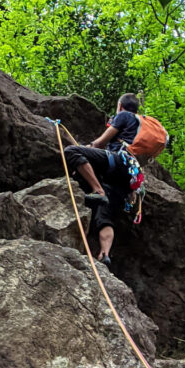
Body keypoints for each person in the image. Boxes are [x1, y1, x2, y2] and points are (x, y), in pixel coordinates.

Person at [63, 93, 143, 267]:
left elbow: (100, 143)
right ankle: (104, 254)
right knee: (104, 213)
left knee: (71, 152)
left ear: (120, 105)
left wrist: (85, 147)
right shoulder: (139, 127)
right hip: (129, 176)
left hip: (118, 161)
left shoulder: (124, 115)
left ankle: (97, 190)